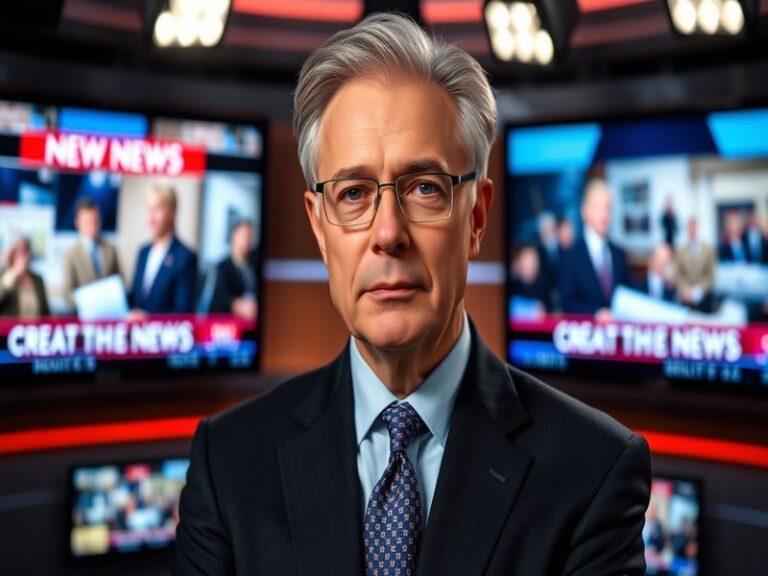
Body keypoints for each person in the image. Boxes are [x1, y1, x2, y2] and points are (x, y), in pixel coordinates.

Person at [174, 14, 651, 576]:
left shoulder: (594, 469)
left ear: (476, 216)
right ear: (319, 229)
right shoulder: (226, 461)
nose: (387, 234)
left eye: (424, 188)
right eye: (352, 194)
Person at [559, 178, 635, 321]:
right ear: (584, 211)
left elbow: (629, 297)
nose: (604, 214)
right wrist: (595, 315)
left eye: (608, 208)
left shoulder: (619, 254)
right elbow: (567, 304)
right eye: (598, 208)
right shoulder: (571, 256)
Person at [130, 183, 197, 315]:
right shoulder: (143, 252)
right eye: (149, 209)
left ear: (172, 213)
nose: (151, 218)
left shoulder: (185, 257)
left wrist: (147, 318)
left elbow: (183, 311)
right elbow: (134, 299)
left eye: (157, 210)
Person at [62, 196, 121, 308]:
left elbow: (119, 283)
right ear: (78, 223)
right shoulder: (70, 254)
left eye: (96, 221)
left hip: (110, 313)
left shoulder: (111, 250)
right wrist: (89, 302)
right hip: (84, 315)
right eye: (88, 221)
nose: (93, 226)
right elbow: (67, 293)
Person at [208, 219, 259, 320]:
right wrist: (241, 306)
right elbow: (222, 298)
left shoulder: (255, 264)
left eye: (250, 237)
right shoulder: (222, 267)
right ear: (234, 236)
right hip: (229, 324)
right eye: (244, 236)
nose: (247, 240)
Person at [0, 236, 50, 318]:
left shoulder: (38, 279)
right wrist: (12, 275)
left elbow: (46, 312)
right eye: (21, 253)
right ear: (12, 254)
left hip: (34, 329)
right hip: (10, 329)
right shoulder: (4, 277)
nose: (25, 258)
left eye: (27, 253)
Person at [674, 217, 715, 312]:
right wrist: (685, 289)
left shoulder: (708, 250)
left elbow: (711, 275)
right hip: (685, 298)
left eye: (694, 227)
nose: (692, 230)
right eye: (690, 227)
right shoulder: (681, 250)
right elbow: (678, 274)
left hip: (704, 297)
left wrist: (699, 291)